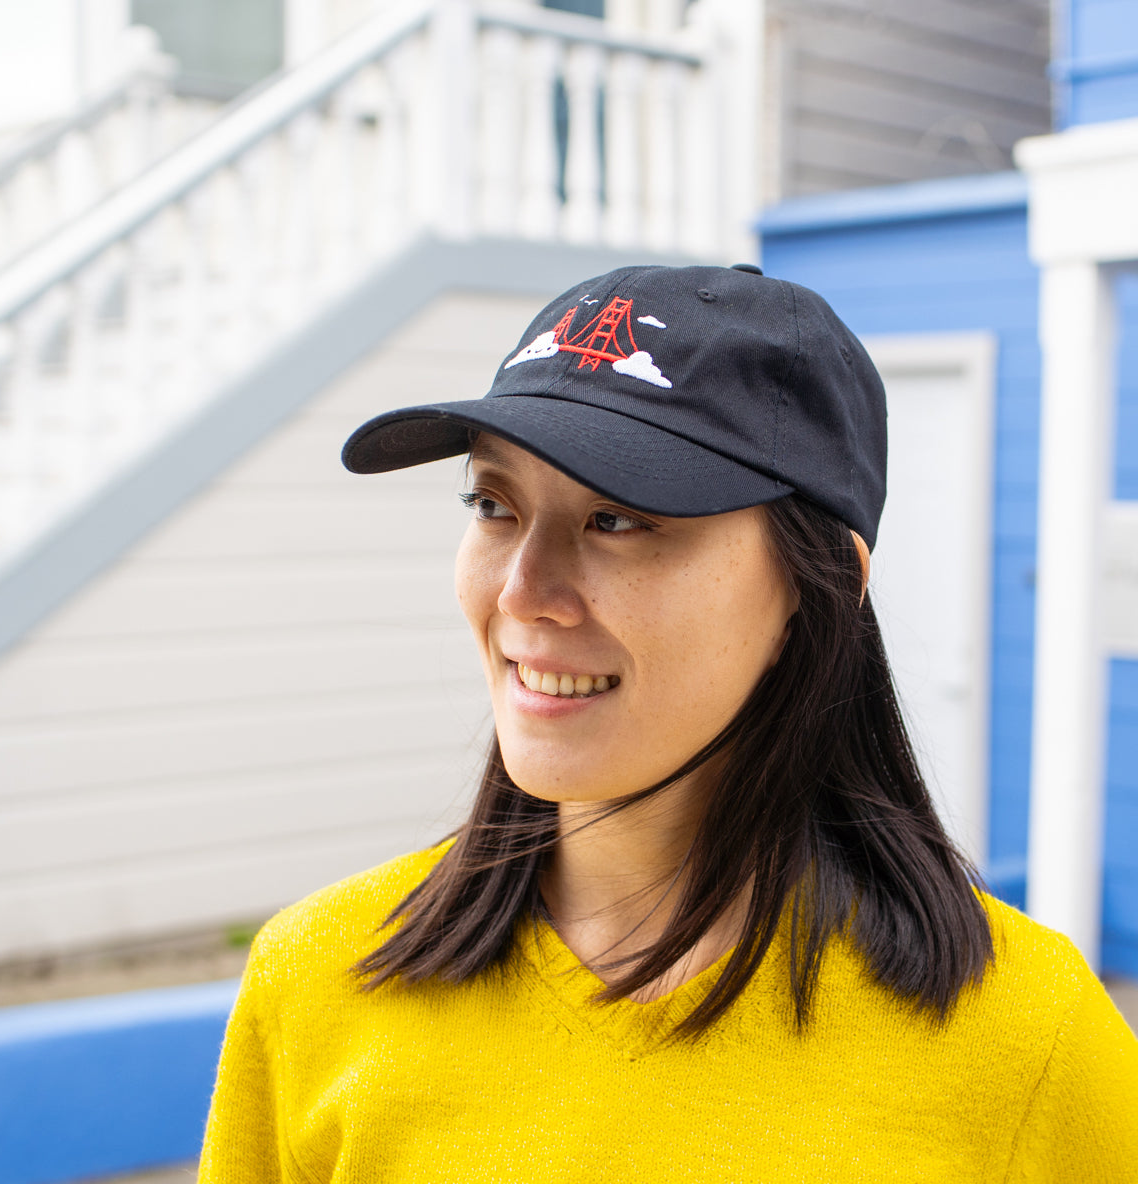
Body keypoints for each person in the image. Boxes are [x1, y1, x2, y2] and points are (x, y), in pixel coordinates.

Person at [198, 264, 1138, 1181]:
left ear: (822, 586)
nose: (524, 592)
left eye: (619, 520)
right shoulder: (317, 982)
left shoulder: (1027, 1040)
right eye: (494, 505)